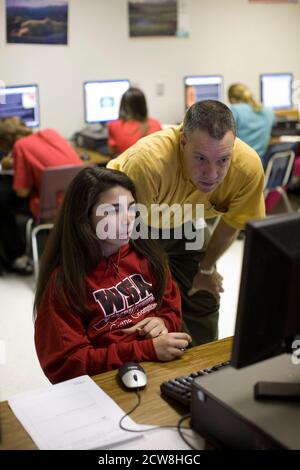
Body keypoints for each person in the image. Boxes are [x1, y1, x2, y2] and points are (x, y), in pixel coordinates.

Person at [108, 100, 265, 346]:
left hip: (184, 222)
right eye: (201, 158)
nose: (212, 174)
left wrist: (206, 270)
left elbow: (232, 223)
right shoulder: (148, 164)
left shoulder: (247, 168)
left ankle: (199, 371)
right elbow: (121, 237)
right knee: (137, 305)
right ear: (183, 142)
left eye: (223, 160)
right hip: (124, 226)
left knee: (203, 294)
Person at [34, 167, 191, 384]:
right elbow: (67, 363)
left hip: (158, 365)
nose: (128, 219)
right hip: (108, 382)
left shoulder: (146, 254)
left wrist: (163, 321)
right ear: (85, 216)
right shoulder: (66, 281)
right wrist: (145, 350)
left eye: (131, 208)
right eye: (114, 210)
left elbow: (171, 306)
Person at [0, 117, 82, 274]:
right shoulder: (50, 133)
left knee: (3, 204)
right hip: (78, 202)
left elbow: (22, 191)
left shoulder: (20, 146)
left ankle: (18, 258)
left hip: (50, 209)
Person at [108, 87, 162, 156]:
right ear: (143, 105)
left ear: (123, 105)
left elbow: (112, 152)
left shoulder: (114, 125)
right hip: (152, 165)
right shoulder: (155, 124)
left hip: (126, 165)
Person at [228, 83, 276, 158]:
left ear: (232, 99)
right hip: (261, 161)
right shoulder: (269, 111)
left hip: (241, 161)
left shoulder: (234, 110)